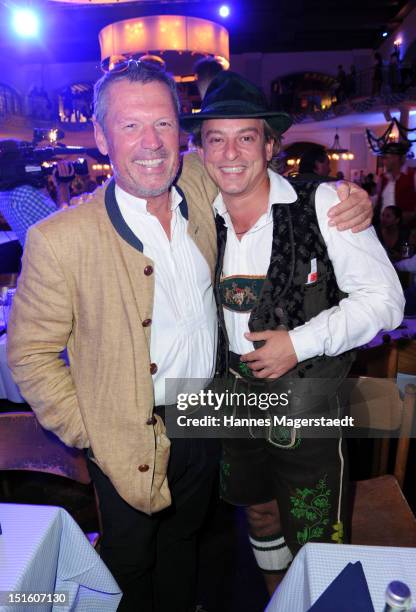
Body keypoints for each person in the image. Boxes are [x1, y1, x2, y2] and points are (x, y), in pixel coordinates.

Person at [7, 61, 373, 611]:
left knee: (187, 545)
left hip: (203, 418)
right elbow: (30, 354)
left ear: (181, 133)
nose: (150, 143)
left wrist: (342, 193)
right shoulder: (60, 239)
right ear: (103, 137)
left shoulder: (202, 187)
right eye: (130, 127)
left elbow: (257, 169)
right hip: (124, 434)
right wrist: (90, 428)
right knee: (131, 562)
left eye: (162, 124)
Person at [181, 71, 404, 594]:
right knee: (258, 514)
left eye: (246, 136)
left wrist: (298, 342)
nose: (230, 151)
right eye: (216, 137)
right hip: (231, 401)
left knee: (315, 533)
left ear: (270, 144)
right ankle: (279, 600)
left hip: (306, 398)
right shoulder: (191, 216)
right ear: (201, 150)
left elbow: (386, 300)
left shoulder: (323, 203)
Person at [0, 140, 74, 246]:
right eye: (25, 155)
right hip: (52, 256)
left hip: (35, 256)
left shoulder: (4, 192)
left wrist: (40, 179)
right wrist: (63, 185)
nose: (29, 159)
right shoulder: (24, 193)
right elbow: (62, 224)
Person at [376, 141, 416, 227]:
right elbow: (378, 202)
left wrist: (412, 215)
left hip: (406, 229)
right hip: (384, 229)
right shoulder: (382, 178)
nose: (383, 161)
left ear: (396, 158)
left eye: (386, 158)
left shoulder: (412, 176)